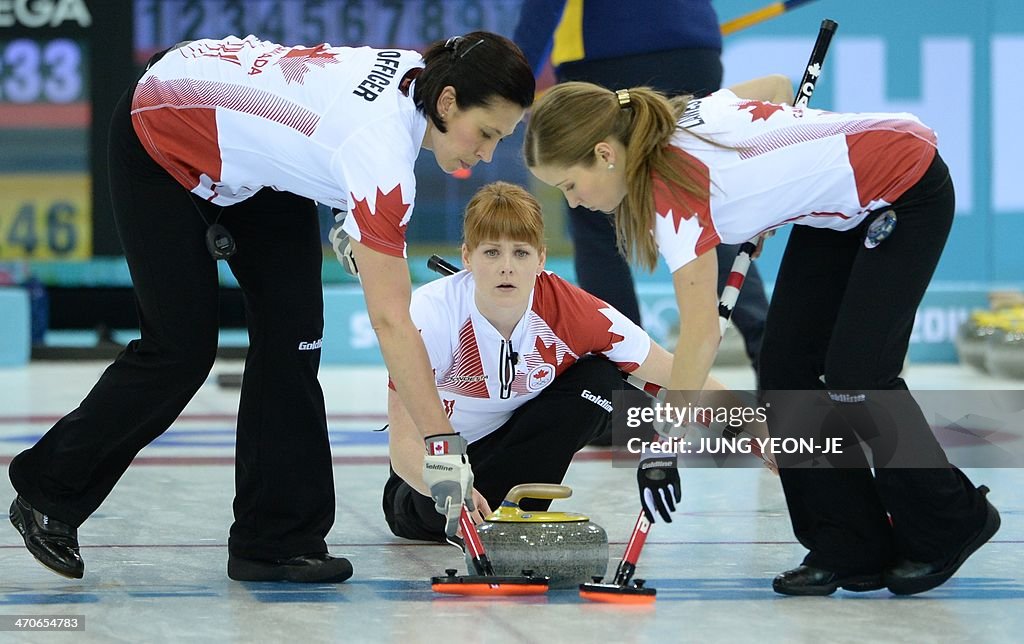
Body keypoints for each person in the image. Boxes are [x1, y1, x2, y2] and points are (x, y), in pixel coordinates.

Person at [7, 32, 534, 583]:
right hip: (164, 128)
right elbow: (391, 322)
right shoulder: (382, 160)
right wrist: (444, 449)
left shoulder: (415, 77)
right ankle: (48, 491)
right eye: (488, 133)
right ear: (447, 102)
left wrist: (347, 219)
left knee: (295, 337)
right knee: (180, 350)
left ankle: (275, 540)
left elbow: (324, 118)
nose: (487, 154)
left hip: (252, 163)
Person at [523, 78, 1000, 596]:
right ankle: (848, 544)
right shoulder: (679, 116)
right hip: (835, 210)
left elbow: (701, 334)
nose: (571, 202)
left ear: (604, 153)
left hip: (903, 181)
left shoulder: (673, 197)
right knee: (783, 369)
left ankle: (953, 519)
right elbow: (774, 85)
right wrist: (774, 182)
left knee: (858, 375)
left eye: (570, 185)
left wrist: (664, 443)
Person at [382, 182, 771, 543]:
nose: (506, 267)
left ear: (541, 259)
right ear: (467, 257)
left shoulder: (576, 312)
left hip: (510, 456)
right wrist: (448, 487)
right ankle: (497, 512)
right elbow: (403, 448)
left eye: (520, 253)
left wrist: (763, 428)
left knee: (602, 380)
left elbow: (679, 374)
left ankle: (515, 513)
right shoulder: (429, 315)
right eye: (490, 252)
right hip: (426, 491)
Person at [512, 0, 768, 371]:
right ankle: (778, 360)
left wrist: (512, 87)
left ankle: (622, 377)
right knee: (698, 200)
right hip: (693, 43)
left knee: (592, 210)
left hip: (607, 48)